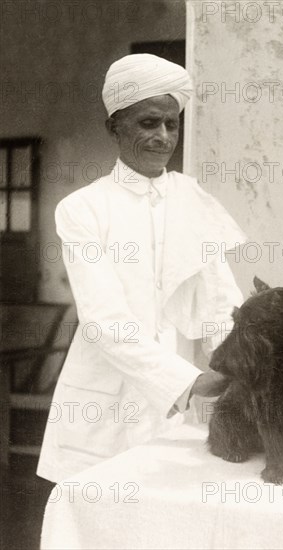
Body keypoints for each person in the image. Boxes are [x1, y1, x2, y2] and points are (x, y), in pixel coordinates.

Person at [37, 54, 246, 483]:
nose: (163, 137)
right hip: (103, 408)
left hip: (175, 415)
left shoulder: (193, 200)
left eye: (172, 124)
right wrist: (188, 383)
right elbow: (105, 320)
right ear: (114, 126)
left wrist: (238, 365)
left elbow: (221, 303)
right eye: (149, 123)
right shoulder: (83, 209)